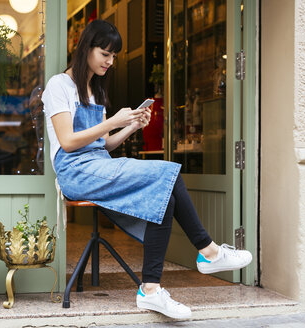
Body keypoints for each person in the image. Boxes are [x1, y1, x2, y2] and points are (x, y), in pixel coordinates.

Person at [42, 20, 252, 319]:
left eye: (114, 56)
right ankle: (208, 252)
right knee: (167, 173)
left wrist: (131, 126)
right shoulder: (58, 85)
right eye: (105, 54)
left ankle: (151, 289)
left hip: (100, 165)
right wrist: (112, 121)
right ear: (86, 48)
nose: (110, 62)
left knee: (162, 191)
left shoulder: (96, 91)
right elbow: (68, 141)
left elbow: (104, 146)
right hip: (74, 171)